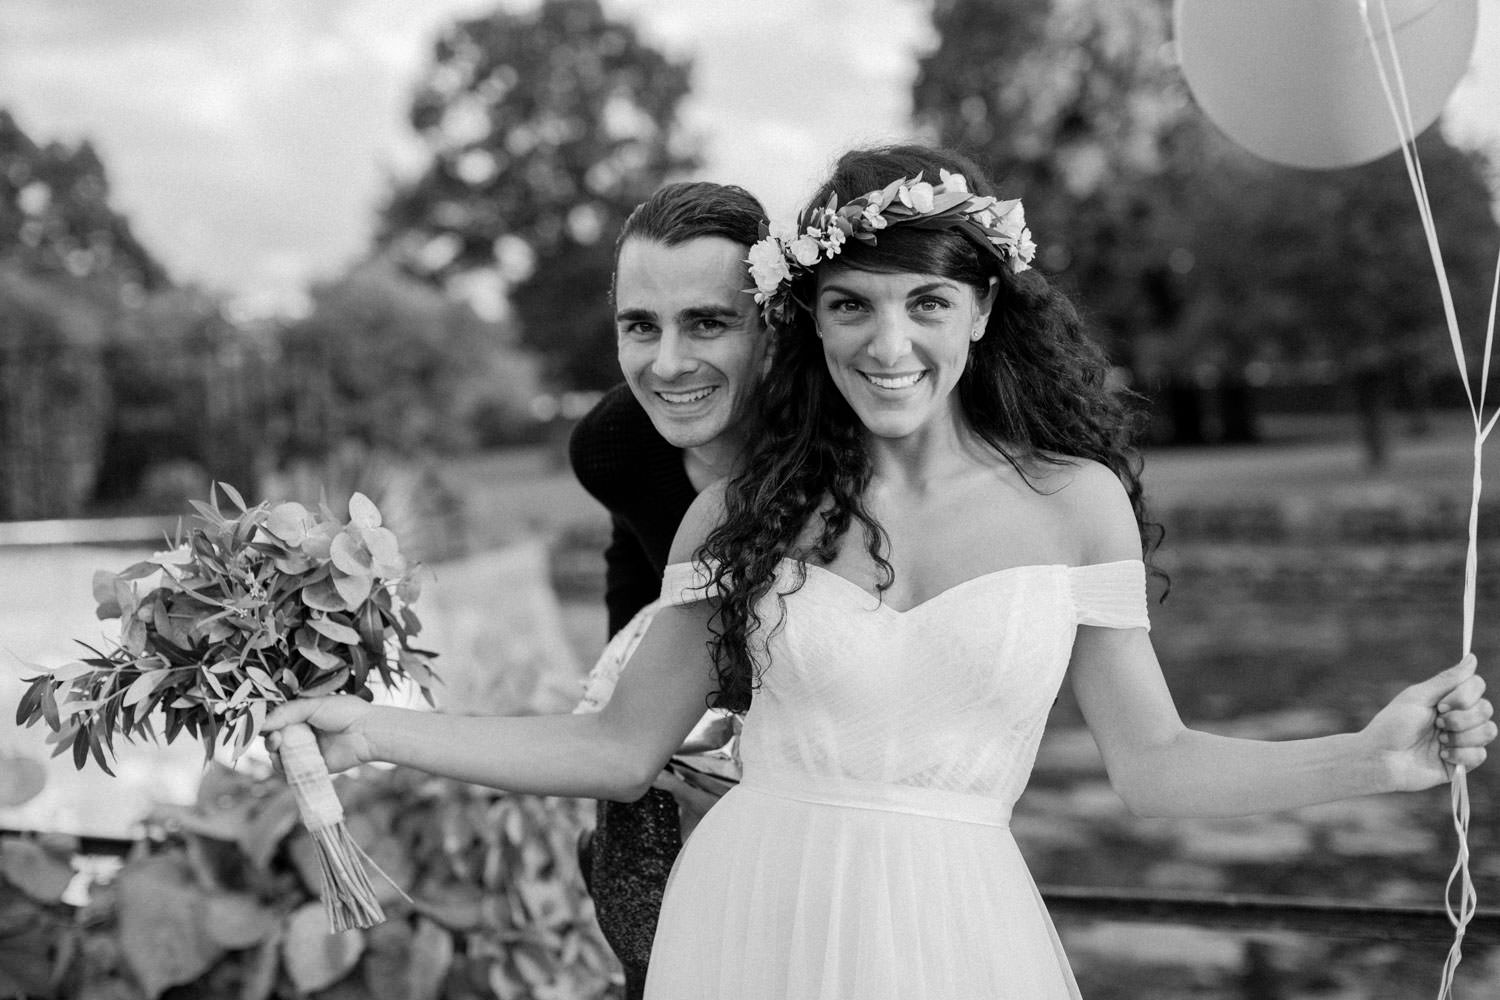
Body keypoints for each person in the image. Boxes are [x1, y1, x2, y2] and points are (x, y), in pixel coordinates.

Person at [265, 144, 1494, 999]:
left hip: (961, 929)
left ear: (980, 311)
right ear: (808, 318)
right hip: (749, 915)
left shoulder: (1076, 507)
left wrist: (1373, 757)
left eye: (925, 301)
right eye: (849, 304)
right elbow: (615, 751)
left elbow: (1156, 769)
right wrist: (376, 730)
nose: (886, 341)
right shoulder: (741, 517)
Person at [567, 180, 770, 997]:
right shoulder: (614, 448)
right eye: (640, 326)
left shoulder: (839, 454)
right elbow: (634, 568)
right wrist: (629, 707)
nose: (669, 362)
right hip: (681, 781)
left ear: (774, 325)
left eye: (709, 322)